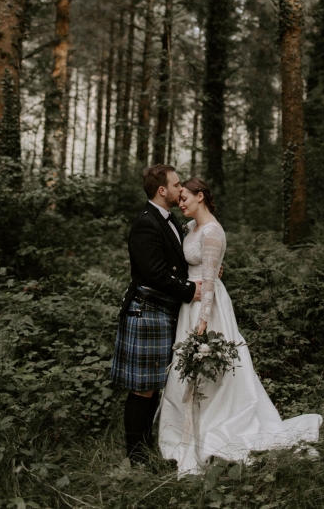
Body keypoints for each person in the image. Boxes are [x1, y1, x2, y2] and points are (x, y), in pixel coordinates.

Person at [158, 177, 323, 476]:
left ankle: (217, 428)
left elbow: (209, 281)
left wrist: (203, 322)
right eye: (179, 198)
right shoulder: (191, 228)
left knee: (212, 368)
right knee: (187, 368)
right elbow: (197, 267)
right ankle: (184, 431)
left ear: (201, 196)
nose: (180, 202)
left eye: (185, 197)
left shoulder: (212, 231)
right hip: (189, 303)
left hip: (206, 307)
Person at [110, 164, 202, 465]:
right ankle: (136, 457)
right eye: (176, 185)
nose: (180, 189)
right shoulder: (146, 223)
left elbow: (178, 260)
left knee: (153, 387)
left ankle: (146, 449)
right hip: (147, 310)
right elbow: (154, 274)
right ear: (162, 190)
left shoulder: (169, 219)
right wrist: (190, 290)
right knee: (143, 389)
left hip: (161, 310)